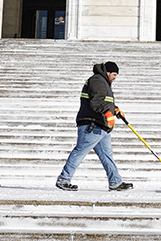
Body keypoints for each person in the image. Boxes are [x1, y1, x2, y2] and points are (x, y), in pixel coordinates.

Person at [56, 61, 133, 192]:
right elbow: (96, 101)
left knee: (107, 155)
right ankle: (64, 179)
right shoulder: (97, 80)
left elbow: (105, 101)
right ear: (107, 72)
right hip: (91, 124)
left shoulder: (103, 82)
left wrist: (115, 110)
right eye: (114, 74)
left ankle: (115, 182)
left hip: (101, 125)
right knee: (80, 151)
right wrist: (108, 113)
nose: (115, 77)